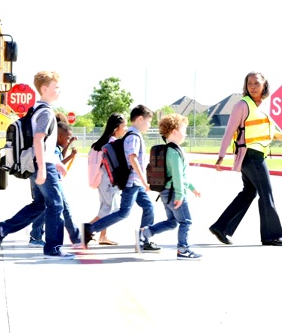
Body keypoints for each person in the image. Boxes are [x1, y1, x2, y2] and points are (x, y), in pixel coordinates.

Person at [0, 71, 75, 259]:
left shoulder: (36, 109)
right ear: (44, 89)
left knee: (40, 204)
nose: (59, 91)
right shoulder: (46, 112)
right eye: (56, 87)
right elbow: (38, 140)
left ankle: (3, 229)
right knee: (56, 205)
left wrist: (56, 162)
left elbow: (43, 144)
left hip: (41, 162)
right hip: (42, 164)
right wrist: (44, 169)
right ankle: (53, 248)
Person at [209, 71, 282, 246]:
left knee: (249, 192)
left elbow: (267, 133)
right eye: (249, 84)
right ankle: (271, 236)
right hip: (250, 155)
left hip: (258, 153)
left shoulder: (265, 107)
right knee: (266, 193)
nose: (253, 87)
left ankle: (221, 227)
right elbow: (230, 130)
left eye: (256, 83)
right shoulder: (242, 104)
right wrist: (221, 156)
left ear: (264, 85)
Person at [81, 104, 160, 252]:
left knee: (148, 207)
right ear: (140, 119)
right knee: (123, 212)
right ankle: (90, 229)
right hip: (133, 182)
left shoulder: (132, 135)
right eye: (149, 121)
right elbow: (132, 158)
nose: (149, 125)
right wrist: (144, 180)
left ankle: (144, 239)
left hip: (135, 182)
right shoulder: (133, 137)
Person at [137, 114, 202, 259]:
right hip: (175, 193)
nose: (185, 133)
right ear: (174, 131)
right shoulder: (174, 152)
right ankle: (183, 249)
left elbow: (180, 176)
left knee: (172, 222)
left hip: (166, 192)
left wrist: (192, 188)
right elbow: (178, 176)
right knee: (186, 222)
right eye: (183, 130)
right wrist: (180, 195)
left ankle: (145, 232)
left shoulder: (169, 150)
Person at [28, 121, 82, 248]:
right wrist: (72, 155)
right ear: (59, 136)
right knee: (63, 208)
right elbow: (59, 162)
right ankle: (76, 238)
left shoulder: (52, 144)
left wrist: (68, 144)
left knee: (42, 208)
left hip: (43, 178)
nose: (68, 140)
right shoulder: (51, 146)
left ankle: (35, 236)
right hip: (50, 180)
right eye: (67, 137)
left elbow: (59, 156)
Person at [87, 113, 128, 246]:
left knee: (106, 208)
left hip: (101, 180)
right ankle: (86, 230)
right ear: (116, 128)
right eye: (124, 126)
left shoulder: (100, 143)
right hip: (109, 180)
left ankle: (103, 236)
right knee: (112, 210)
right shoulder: (112, 143)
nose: (126, 129)